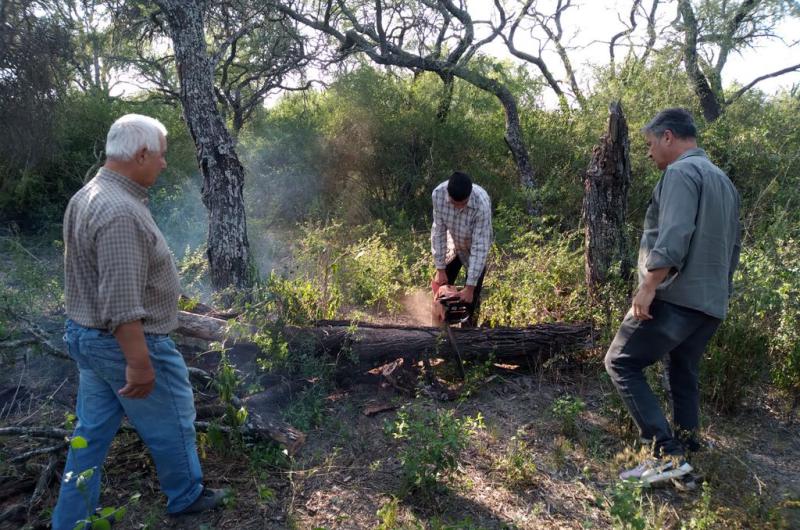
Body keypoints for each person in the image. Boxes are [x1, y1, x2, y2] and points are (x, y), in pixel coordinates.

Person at [52, 114, 224, 529]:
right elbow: (121, 302)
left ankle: (70, 520)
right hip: (125, 342)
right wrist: (140, 363)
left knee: (90, 435)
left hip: (88, 338)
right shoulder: (119, 212)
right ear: (141, 153)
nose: (164, 164)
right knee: (173, 419)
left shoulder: (89, 194)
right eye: (161, 156)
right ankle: (186, 497)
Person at [604, 108, 741, 485]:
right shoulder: (723, 181)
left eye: (650, 144)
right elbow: (733, 248)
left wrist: (648, 288)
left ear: (668, 137)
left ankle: (665, 455)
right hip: (711, 303)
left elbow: (675, 235)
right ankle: (688, 457)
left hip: (676, 296)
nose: (648, 153)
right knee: (682, 370)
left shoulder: (681, 172)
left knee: (621, 362)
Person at [431, 171, 493, 326]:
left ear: (469, 195)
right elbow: (438, 231)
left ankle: (468, 331)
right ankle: (438, 330)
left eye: (463, 203)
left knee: (471, 296)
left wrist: (470, 287)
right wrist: (440, 269)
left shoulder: (481, 204)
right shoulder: (438, 195)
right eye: (454, 203)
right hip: (453, 243)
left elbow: (480, 247)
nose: (458, 207)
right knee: (442, 288)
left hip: (473, 246)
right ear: (448, 194)